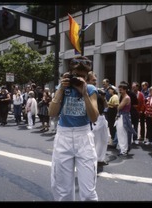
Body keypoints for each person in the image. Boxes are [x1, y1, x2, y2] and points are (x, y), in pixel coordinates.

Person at [49, 56, 99, 201]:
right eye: (77, 75)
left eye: (83, 76)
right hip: (63, 136)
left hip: (83, 136)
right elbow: (52, 113)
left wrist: (84, 93)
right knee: (63, 192)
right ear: (70, 73)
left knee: (89, 193)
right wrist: (60, 89)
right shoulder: (63, 87)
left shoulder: (90, 89)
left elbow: (94, 117)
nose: (79, 79)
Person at [87, 71, 109, 166]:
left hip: (101, 117)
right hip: (93, 119)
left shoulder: (98, 91)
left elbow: (106, 105)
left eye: (96, 80)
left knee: (104, 138)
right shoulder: (86, 91)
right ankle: (92, 159)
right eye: (93, 80)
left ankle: (100, 158)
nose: (95, 82)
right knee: (93, 140)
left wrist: (103, 97)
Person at [116, 82, 137, 156]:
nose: (119, 91)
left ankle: (124, 150)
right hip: (122, 116)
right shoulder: (123, 97)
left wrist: (117, 105)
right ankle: (123, 149)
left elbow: (119, 107)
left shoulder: (126, 98)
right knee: (121, 133)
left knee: (123, 134)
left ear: (125, 90)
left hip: (124, 116)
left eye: (121, 90)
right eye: (119, 89)